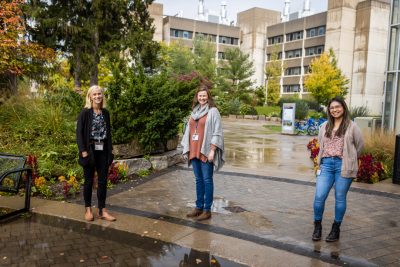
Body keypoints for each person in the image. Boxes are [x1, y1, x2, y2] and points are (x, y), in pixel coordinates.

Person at [312, 97, 364, 242]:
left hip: (344, 165)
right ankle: (317, 227)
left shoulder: (352, 126)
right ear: (329, 110)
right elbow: (320, 144)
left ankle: (336, 229)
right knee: (319, 197)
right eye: (332, 107)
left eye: (337, 107)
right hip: (326, 165)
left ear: (343, 108)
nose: (335, 110)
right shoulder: (324, 126)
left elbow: (360, 146)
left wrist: (350, 158)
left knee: (340, 198)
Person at [181, 83, 224, 221]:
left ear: (208, 96)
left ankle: (207, 210)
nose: (202, 98)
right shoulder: (194, 111)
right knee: (198, 180)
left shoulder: (213, 111)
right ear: (197, 97)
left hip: (205, 151)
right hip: (194, 150)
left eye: (204, 96)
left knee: (207, 180)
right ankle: (198, 207)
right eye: (200, 96)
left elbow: (217, 132)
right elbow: (188, 130)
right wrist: (185, 148)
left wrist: (212, 149)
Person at [76, 85, 116, 222]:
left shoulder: (105, 113)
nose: (97, 96)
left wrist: (110, 151)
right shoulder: (85, 113)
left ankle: (102, 210)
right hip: (90, 150)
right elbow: (79, 133)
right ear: (90, 96)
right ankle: (88, 209)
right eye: (95, 94)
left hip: (103, 149)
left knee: (103, 181)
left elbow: (109, 133)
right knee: (88, 181)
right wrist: (84, 151)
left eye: (99, 94)